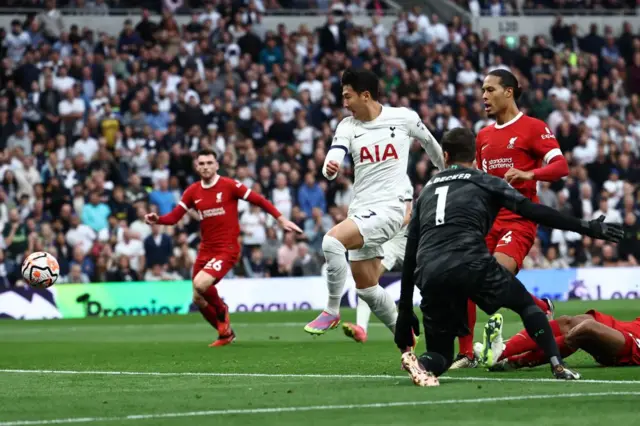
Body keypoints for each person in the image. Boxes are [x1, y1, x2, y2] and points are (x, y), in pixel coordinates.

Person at [394, 128, 623, 386]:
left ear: (445, 156)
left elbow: (410, 251)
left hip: (430, 271)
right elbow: (534, 211)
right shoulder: (484, 180)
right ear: (475, 156)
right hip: (472, 263)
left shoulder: (426, 191)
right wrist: (586, 226)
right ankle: (557, 364)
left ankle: (422, 363)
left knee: (440, 355)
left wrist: (404, 311)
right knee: (526, 304)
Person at [303, 68, 445, 349]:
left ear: (365, 95)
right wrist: (329, 167)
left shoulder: (403, 118)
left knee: (331, 241)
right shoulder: (347, 126)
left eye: (347, 96)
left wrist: (447, 174)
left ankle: (331, 310)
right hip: (361, 210)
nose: (344, 103)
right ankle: (407, 344)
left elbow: (430, 144)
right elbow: (333, 158)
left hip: (391, 209)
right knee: (367, 288)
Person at [453, 69, 571, 369]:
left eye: (490, 90)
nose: (483, 96)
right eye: (482, 90)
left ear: (509, 92)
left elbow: (560, 166)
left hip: (519, 220)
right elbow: (482, 178)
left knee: (491, 277)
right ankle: (466, 353)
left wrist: (531, 173)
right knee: (465, 278)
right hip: (488, 221)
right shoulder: (483, 135)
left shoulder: (533, 127)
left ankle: (535, 310)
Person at [145, 149, 302, 347]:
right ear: (196, 167)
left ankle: (222, 310)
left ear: (216, 165)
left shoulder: (229, 185)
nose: (205, 167)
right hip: (206, 249)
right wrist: (157, 219)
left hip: (227, 248)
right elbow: (174, 217)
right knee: (197, 298)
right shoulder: (193, 191)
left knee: (201, 285)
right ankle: (226, 334)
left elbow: (259, 200)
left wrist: (280, 219)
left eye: (209, 162)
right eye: (201, 163)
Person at [342, 179, 413, 343]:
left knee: (430, 280)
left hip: (402, 240)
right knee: (368, 281)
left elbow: (408, 214)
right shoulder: (373, 180)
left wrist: (386, 225)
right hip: (386, 241)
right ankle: (362, 327)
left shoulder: (402, 180)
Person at [477, 310, 640, 370]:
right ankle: (501, 353)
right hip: (628, 327)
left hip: (633, 345)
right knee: (568, 321)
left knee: (586, 328)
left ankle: (513, 359)